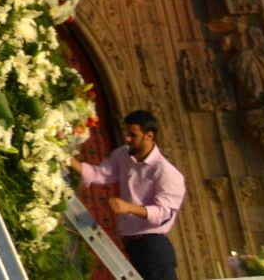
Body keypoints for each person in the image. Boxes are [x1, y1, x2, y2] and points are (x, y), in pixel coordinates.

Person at [70, 110, 185, 280]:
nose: (127, 139)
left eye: (133, 135)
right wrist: (66, 158)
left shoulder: (166, 172)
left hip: (153, 247)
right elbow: (99, 174)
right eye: (127, 133)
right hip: (131, 244)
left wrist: (128, 208)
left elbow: (164, 213)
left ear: (149, 136)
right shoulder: (123, 154)